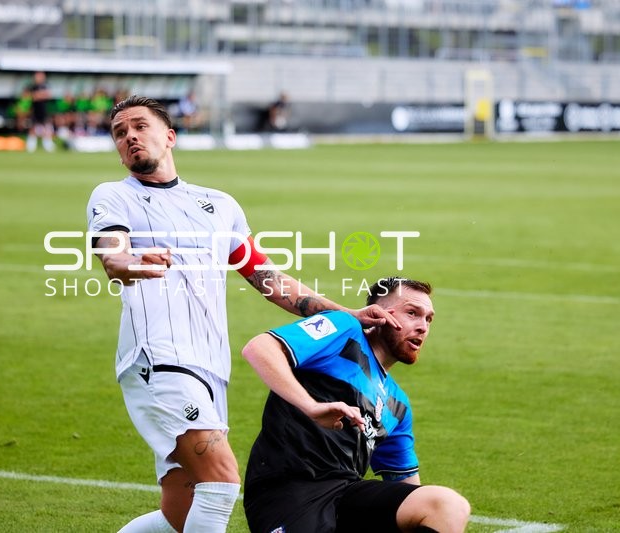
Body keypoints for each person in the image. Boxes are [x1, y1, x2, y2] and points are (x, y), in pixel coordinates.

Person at [86, 95, 398, 533]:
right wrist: (131, 264)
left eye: (140, 126)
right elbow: (113, 257)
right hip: (158, 360)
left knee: (180, 513)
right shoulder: (113, 196)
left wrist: (345, 312)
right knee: (221, 483)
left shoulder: (219, 205)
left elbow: (266, 276)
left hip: (211, 368)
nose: (130, 137)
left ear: (170, 136)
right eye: (120, 133)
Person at [241, 277, 471, 532]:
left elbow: (407, 488)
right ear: (381, 315)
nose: (422, 327)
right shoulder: (344, 330)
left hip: (345, 498)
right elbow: (260, 348)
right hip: (289, 494)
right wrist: (311, 406)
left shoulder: (397, 404)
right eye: (412, 313)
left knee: (447, 506)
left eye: (428, 319)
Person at [25, 71, 55, 152]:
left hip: (44, 110)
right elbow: (31, 96)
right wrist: (40, 95)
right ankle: (31, 146)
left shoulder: (46, 85)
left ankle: (48, 145)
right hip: (35, 110)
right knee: (33, 128)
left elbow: (49, 95)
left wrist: (39, 95)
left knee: (47, 127)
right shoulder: (32, 86)